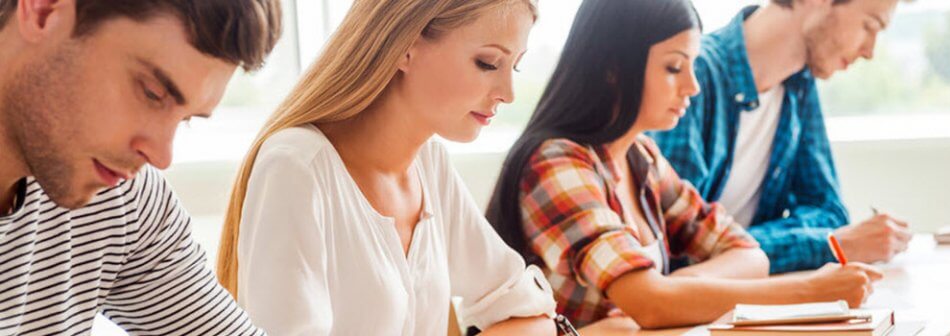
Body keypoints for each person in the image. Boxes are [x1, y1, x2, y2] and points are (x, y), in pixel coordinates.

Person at [486, 0, 882, 329]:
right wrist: (809, 291)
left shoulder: (642, 159)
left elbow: (750, 255)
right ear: (612, 69)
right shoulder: (555, 163)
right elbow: (652, 304)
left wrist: (670, 288)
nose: (692, 86)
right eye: (674, 67)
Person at [215, 0, 560, 335]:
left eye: (514, 66)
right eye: (488, 63)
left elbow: (529, 311)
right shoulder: (296, 168)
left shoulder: (430, 165)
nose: (508, 93)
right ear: (405, 47)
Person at [0, 0, 281, 334]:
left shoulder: (121, 196)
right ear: (44, 11)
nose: (161, 156)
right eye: (151, 93)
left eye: (187, 119)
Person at [649, 0, 913, 274]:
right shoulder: (691, 81)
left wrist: (741, 249)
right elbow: (678, 245)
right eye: (869, 25)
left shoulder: (798, 86)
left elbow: (828, 211)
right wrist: (827, 245)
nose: (870, 51)